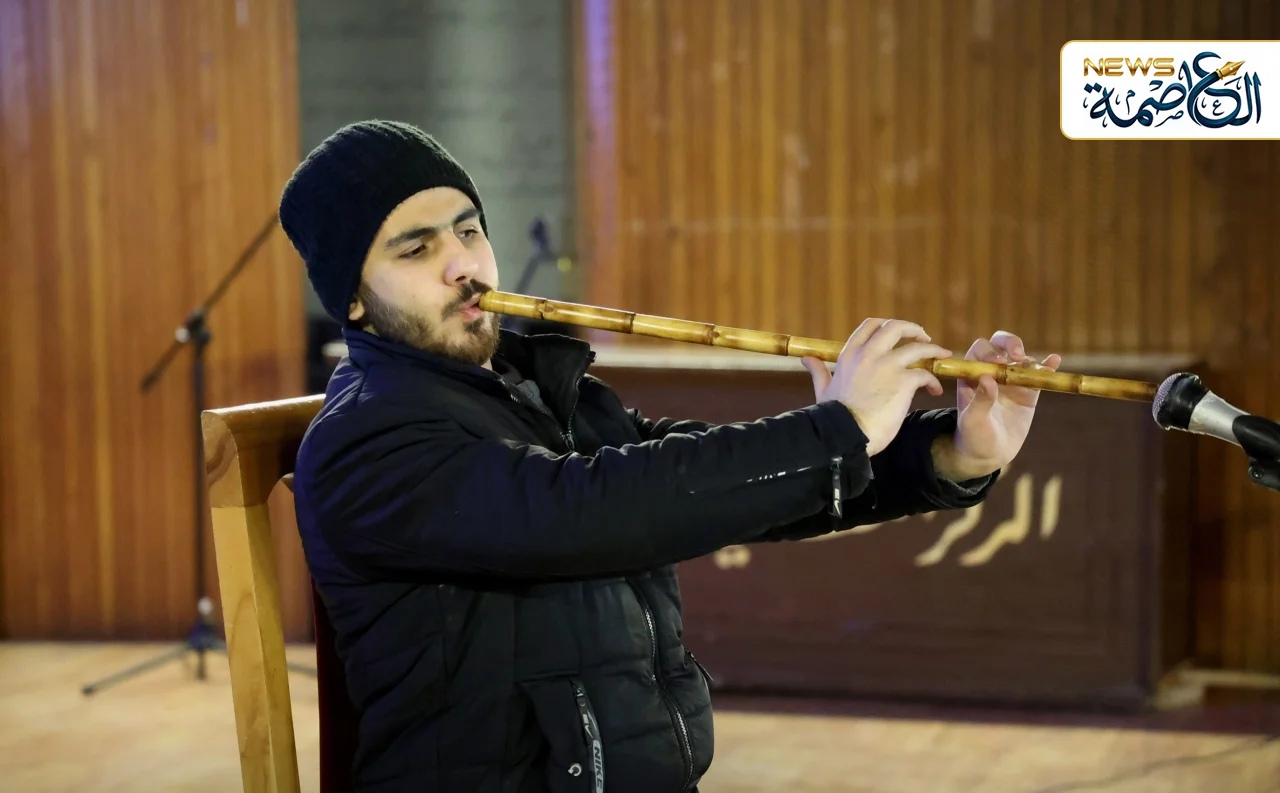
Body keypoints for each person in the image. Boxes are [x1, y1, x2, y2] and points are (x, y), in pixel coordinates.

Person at [280, 120, 1060, 793]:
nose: (465, 264)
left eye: (469, 229)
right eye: (417, 248)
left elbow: (703, 480)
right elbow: (592, 510)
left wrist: (947, 451)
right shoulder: (364, 443)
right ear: (352, 297)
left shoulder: (534, 386)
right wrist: (839, 427)